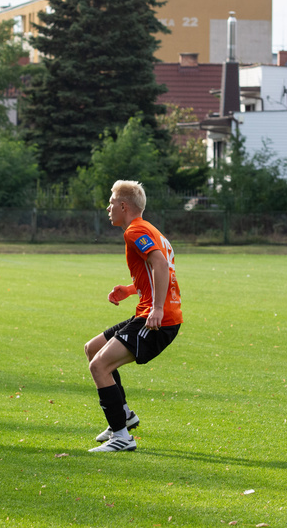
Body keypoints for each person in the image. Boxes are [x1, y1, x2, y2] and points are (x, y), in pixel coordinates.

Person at [84, 180, 183, 453]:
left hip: (158, 320)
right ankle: (124, 414)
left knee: (99, 367)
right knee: (92, 349)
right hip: (150, 312)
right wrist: (130, 290)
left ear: (124, 206)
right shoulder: (148, 229)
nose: (108, 207)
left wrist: (158, 308)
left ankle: (122, 437)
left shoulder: (136, 230)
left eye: (112, 202)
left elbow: (160, 265)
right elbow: (155, 269)